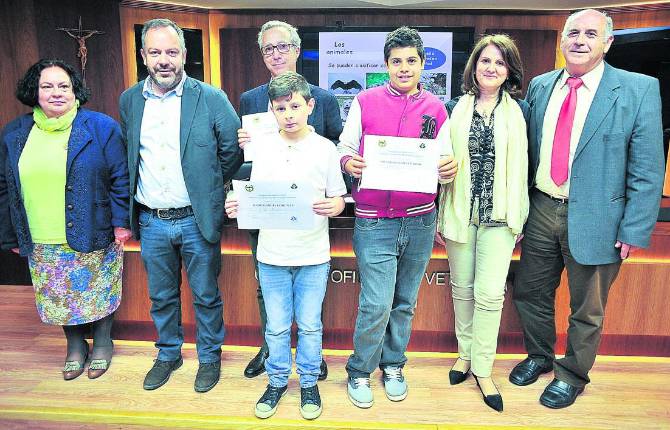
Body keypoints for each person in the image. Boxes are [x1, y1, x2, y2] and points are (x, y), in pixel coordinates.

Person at [510, 9, 664, 409]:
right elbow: (526, 152)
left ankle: (572, 374)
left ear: (607, 43)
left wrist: (633, 229)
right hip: (541, 208)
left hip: (601, 218)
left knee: (588, 308)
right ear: (562, 40)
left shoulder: (638, 89)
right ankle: (539, 356)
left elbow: (648, 168)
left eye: (590, 34)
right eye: (573, 32)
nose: (579, 40)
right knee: (530, 291)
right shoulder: (542, 85)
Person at [119, 18, 242, 393]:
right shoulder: (129, 101)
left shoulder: (211, 97)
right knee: (161, 295)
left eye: (172, 52)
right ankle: (168, 354)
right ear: (143, 56)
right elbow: (129, 154)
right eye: (155, 52)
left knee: (205, 294)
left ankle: (209, 358)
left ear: (184, 55)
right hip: (152, 220)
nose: (164, 60)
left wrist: (207, 188)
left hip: (196, 218)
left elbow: (232, 151)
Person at [339, 26, 457, 408]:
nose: (403, 68)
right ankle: (360, 371)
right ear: (386, 65)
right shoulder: (366, 100)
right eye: (396, 62)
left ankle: (393, 365)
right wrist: (348, 161)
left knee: (405, 301)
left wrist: (447, 169)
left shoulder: (437, 109)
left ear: (423, 64)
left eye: (411, 61)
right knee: (376, 303)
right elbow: (344, 146)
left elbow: (446, 158)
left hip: (420, 220)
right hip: (374, 221)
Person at [0, 59, 131, 380]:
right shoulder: (14, 133)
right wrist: (10, 235)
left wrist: (121, 222)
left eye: (64, 86)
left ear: (76, 92)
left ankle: (102, 342)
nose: (56, 93)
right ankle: (74, 345)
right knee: (58, 295)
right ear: (35, 91)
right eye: (47, 86)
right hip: (40, 235)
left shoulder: (101, 127)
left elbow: (120, 178)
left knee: (98, 290)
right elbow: (4, 186)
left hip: (95, 228)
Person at [227, 72, 346, 420]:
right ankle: (277, 380)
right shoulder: (259, 147)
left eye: (295, 106)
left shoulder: (325, 149)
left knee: (310, 325)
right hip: (271, 255)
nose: (289, 114)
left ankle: (309, 382)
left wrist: (334, 206)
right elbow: (244, 193)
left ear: (310, 106)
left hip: (313, 255)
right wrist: (233, 203)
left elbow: (338, 198)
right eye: (281, 108)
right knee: (276, 326)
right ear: (272, 111)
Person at [236, 20, 343, 381]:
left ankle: (312, 356)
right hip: (266, 214)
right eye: (268, 49)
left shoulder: (325, 98)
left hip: (310, 220)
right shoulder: (251, 99)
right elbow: (247, 166)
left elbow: (331, 151)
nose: (276, 54)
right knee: (267, 286)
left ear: (297, 50)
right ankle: (271, 351)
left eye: (282, 47)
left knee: (310, 296)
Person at [436, 34, 529, 412]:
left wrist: (518, 215)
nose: (491, 68)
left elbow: (523, 168)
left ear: (509, 71)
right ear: (473, 66)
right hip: (460, 212)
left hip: (499, 217)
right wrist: (442, 172)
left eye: (499, 63)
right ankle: (465, 354)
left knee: (490, 295)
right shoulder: (454, 107)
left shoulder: (518, 111)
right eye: (485, 61)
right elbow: (440, 162)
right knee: (462, 289)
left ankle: (484, 367)